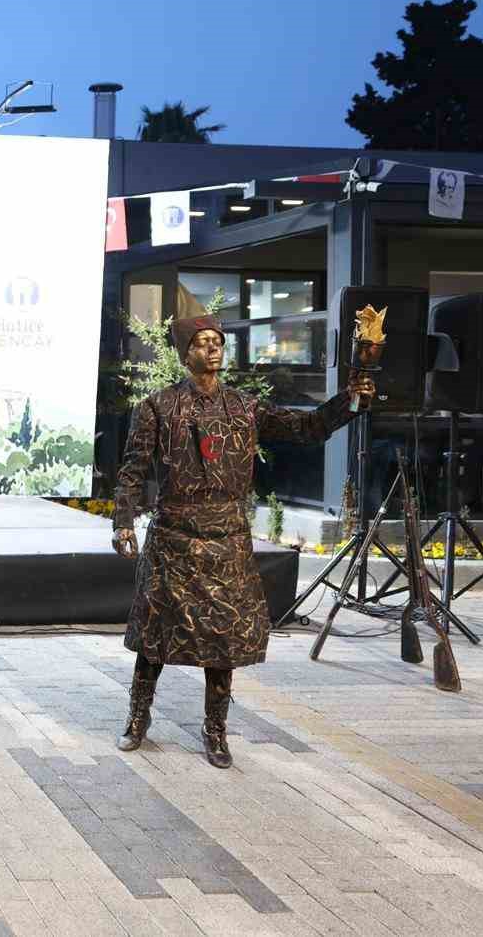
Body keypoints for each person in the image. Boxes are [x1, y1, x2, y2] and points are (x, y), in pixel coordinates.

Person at [112, 315, 375, 769]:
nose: (213, 349)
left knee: (224, 639)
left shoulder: (245, 407)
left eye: (218, 342)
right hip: (174, 536)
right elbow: (133, 469)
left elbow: (305, 428)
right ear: (185, 352)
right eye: (203, 343)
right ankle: (138, 719)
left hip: (227, 537)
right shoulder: (159, 406)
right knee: (155, 635)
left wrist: (350, 401)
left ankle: (215, 730)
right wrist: (122, 522)